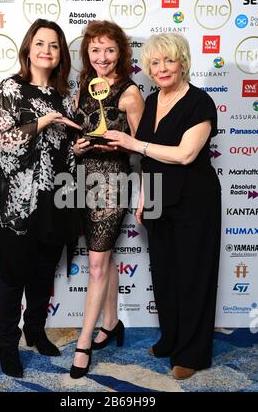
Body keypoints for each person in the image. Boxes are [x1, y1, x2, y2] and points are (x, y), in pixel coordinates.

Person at [104, 33, 221, 380]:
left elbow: (185, 154)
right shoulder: (153, 102)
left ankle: (193, 353)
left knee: (193, 277)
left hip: (194, 202)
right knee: (166, 275)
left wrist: (133, 143)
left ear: (182, 62)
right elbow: (152, 161)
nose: (161, 68)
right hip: (158, 198)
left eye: (168, 60)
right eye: (154, 63)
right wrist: (143, 197)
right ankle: (171, 339)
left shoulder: (201, 102)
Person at [0, 18, 81, 378]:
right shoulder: (10, 88)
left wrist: (79, 148)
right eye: (40, 43)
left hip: (53, 200)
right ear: (28, 48)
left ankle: (35, 331)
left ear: (60, 54)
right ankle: (6, 347)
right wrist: (43, 122)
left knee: (43, 274)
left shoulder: (63, 96)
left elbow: (62, 149)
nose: (46, 50)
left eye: (54, 45)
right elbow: (3, 141)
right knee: (12, 276)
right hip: (14, 205)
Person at [70, 20, 144, 379]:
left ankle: (83, 343)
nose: (102, 57)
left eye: (110, 50)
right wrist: (77, 146)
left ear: (121, 53)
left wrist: (146, 191)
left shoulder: (130, 93)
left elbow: (145, 149)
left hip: (112, 184)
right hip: (82, 180)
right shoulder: (84, 87)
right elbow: (76, 136)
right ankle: (111, 322)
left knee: (97, 265)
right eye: (96, 49)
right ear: (88, 52)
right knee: (105, 256)